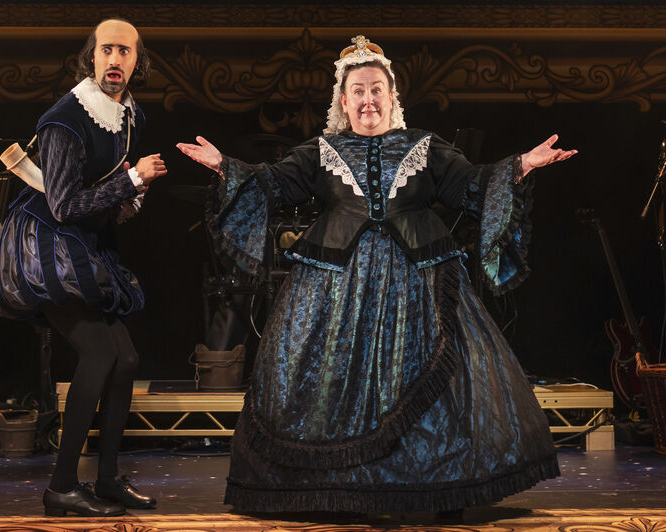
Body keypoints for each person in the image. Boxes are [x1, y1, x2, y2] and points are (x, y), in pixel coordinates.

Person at [177, 35, 577, 516]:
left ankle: (431, 487)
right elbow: (275, 184)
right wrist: (227, 167)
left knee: (436, 377)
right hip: (334, 282)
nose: (368, 99)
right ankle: (341, 489)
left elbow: (470, 185)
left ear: (391, 97)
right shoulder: (320, 150)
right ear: (343, 102)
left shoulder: (427, 148)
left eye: (376, 90)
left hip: (421, 279)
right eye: (358, 91)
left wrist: (521, 166)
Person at [0, 18, 166, 517]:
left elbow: (101, 200)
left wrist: (129, 198)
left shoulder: (130, 115)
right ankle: (62, 486)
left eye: (125, 52)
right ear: (92, 56)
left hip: (84, 245)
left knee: (125, 359)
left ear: (137, 61)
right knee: (98, 355)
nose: (115, 60)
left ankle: (106, 479)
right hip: (47, 248)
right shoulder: (65, 117)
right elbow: (64, 205)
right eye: (107, 50)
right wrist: (130, 180)